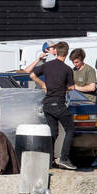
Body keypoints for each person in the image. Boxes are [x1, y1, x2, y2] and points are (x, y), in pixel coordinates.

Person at [26, 41, 76, 170]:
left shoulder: (47, 65)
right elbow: (71, 87)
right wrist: (64, 87)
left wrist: (43, 85)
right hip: (59, 103)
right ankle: (64, 158)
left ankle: (49, 160)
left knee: (53, 132)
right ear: (66, 53)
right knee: (70, 129)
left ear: (57, 52)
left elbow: (32, 75)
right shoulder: (67, 69)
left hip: (47, 104)